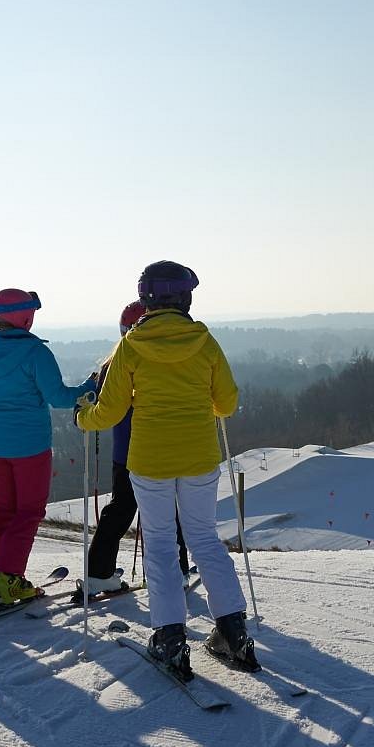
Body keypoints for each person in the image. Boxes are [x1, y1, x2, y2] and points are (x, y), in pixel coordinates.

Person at [76, 261, 256, 676]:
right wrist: (199, 404)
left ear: (146, 299)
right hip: (199, 457)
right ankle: (233, 631)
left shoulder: (132, 345)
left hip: (150, 460)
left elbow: (110, 411)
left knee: (158, 544)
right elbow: (226, 404)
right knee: (205, 540)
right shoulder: (205, 341)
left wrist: (84, 416)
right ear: (186, 297)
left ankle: (170, 639)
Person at [0, 289, 93, 611]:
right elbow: (59, 397)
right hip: (30, 446)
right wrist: (90, 389)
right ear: (26, 317)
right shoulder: (35, 352)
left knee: (2, 511)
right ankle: (8, 578)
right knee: (28, 512)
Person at [84, 300, 193, 598]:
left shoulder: (109, 367)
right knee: (167, 512)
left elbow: (92, 399)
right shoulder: (168, 363)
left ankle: (98, 572)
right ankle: (178, 571)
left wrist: (83, 413)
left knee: (120, 510)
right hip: (162, 450)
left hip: (125, 454)